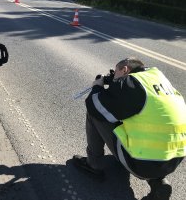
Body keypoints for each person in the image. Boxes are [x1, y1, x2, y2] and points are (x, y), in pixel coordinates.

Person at [73, 57, 186, 200]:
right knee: (139, 120)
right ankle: (158, 182)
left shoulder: (132, 82)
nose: (115, 78)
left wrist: (97, 86)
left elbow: (94, 105)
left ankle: (93, 164)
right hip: (173, 160)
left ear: (125, 69)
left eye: (116, 74)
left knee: (95, 113)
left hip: (142, 164)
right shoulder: (158, 79)